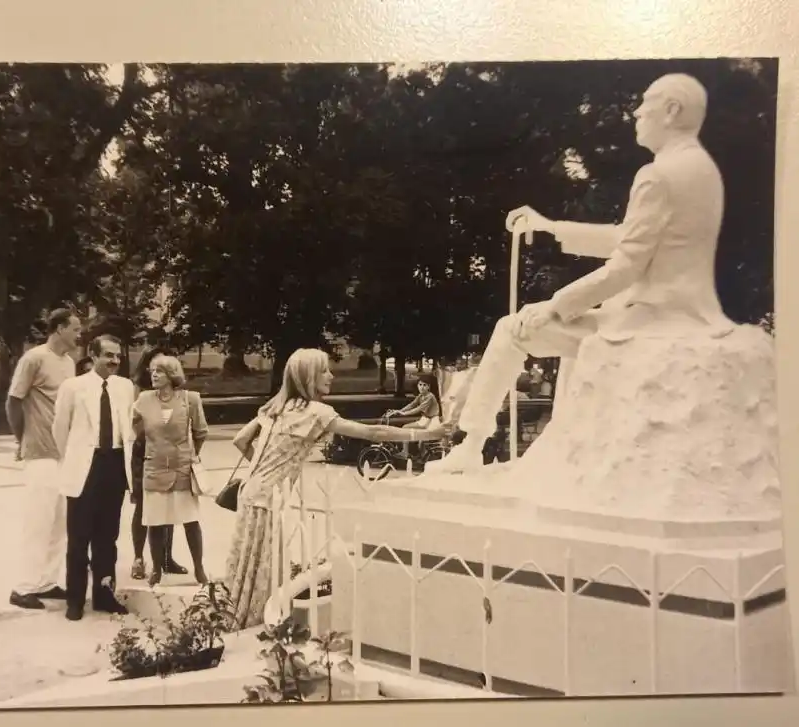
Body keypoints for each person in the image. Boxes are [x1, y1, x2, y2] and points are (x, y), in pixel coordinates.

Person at [432, 73, 734, 475]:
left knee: (512, 328)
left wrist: (555, 305)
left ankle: (471, 446)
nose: (637, 111)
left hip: (649, 320)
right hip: (688, 315)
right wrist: (551, 227)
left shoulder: (657, 175)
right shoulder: (703, 170)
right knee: (576, 340)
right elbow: (636, 240)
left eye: (647, 102)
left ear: (673, 111)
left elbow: (627, 264)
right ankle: (560, 448)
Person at [224, 348, 447, 629]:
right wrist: (428, 434)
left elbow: (240, 440)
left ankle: (238, 617)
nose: (331, 375)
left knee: (247, 563)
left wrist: (264, 471)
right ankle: (256, 624)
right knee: (264, 566)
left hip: (251, 492)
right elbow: (373, 433)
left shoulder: (275, 406)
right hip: (268, 498)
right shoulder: (316, 412)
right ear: (308, 377)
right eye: (324, 371)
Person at [52, 335, 134, 620]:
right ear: (93, 355)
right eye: (108, 355)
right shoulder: (73, 387)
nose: (113, 361)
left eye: (117, 357)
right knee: (78, 537)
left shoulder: (125, 387)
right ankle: (74, 600)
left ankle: (104, 596)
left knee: (107, 537)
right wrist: (73, 460)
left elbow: (127, 429)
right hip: (85, 467)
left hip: (114, 464)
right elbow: (59, 429)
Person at [6, 308, 81, 610]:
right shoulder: (33, 358)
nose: (79, 335)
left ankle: (47, 581)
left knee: (60, 523)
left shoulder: (69, 363)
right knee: (38, 522)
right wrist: (21, 438)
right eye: (76, 329)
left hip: (65, 454)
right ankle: (23, 586)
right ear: (60, 328)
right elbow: (14, 401)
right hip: (40, 453)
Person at [132, 354, 210, 587]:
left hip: (182, 469)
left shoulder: (190, 399)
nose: (153, 375)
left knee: (190, 520)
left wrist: (189, 454)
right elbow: (136, 427)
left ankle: (199, 568)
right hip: (154, 468)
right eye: (152, 370)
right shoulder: (144, 399)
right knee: (155, 521)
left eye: (160, 371)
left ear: (172, 375)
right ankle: (156, 569)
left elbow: (201, 431)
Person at [129, 348, 188, 581]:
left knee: (168, 504)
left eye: (164, 367)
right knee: (144, 505)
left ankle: (165, 557)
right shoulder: (142, 392)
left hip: (170, 453)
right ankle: (138, 559)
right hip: (146, 451)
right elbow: (135, 424)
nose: (158, 372)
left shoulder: (177, 393)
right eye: (155, 367)